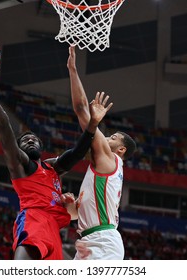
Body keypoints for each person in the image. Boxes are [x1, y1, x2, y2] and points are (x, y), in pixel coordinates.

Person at [0, 51, 113, 260]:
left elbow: (78, 152)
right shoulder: (21, 165)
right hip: (34, 221)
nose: (30, 140)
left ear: (42, 147)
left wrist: (93, 123)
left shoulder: (51, 167)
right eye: (24, 140)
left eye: (33, 139)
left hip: (54, 231)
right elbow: (3, 125)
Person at [66, 45, 137, 260]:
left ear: (121, 149)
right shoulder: (104, 169)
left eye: (113, 138)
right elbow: (77, 215)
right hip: (91, 240)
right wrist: (72, 208)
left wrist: (72, 70)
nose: (107, 138)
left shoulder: (108, 158)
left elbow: (80, 109)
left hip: (102, 243)